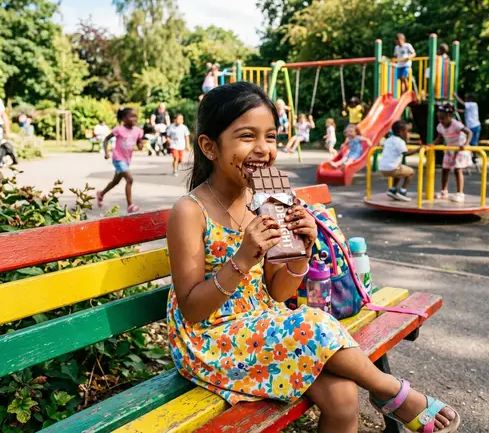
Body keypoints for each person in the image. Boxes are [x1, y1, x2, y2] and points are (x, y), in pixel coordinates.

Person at [166, 81, 459, 433]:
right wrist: (243, 258)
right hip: (211, 340)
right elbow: (193, 309)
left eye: (271, 137)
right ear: (210, 146)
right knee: (313, 323)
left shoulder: (267, 199)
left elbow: (278, 293)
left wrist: (301, 253)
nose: (263, 149)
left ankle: (384, 394)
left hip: (260, 325)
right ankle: (392, 392)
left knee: (344, 397)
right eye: (247, 137)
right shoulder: (190, 211)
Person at [97, 108, 144, 213]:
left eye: (135, 116)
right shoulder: (119, 129)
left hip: (127, 160)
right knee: (129, 179)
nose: (134, 119)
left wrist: (141, 145)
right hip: (118, 158)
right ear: (124, 118)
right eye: (131, 116)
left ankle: (101, 193)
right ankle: (130, 205)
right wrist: (106, 152)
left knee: (115, 182)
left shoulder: (137, 130)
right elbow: (106, 139)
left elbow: (139, 143)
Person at [432, 103, 472, 203]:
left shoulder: (456, 124)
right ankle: (443, 191)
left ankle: (460, 194)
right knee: (445, 169)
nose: (441, 121)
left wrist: (466, 144)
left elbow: (469, 132)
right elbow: (440, 137)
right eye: (439, 118)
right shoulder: (440, 126)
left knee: (457, 170)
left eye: (443, 118)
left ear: (450, 116)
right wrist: (432, 144)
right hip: (449, 149)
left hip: (460, 148)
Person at [379, 120, 422, 202]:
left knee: (400, 169)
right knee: (411, 172)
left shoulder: (389, 140)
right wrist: (418, 150)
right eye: (407, 131)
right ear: (401, 132)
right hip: (392, 168)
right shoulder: (400, 141)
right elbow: (405, 153)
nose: (408, 133)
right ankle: (403, 192)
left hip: (382, 168)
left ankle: (393, 189)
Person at [455, 92, 481, 163]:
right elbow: (465, 111)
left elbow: (462, 103)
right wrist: (456, 110)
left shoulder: (473, 104)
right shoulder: (471, 106)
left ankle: (475, 157)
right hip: (472, 126)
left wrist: (456, 96)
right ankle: (473, 156)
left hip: (474, 126)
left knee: (473, 143)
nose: (465, 99)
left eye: (466, 98)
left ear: (470, 99)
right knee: (470, 142)